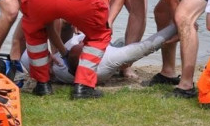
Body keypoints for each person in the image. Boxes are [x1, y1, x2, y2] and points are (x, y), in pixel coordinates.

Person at [20, 0, 112, 99]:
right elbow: (103, 7)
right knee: (99, 35)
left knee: (34, 32)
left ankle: (42, 85)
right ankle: (84, 86)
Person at [20, 24, 177, 84]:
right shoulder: (106, 60)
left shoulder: (59, 66)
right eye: (83, 44)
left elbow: (26, 55)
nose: (82, 42)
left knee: (63, 23)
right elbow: (147, 46)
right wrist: (177, 26)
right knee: (124, 45)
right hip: (108, 49)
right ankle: (119, 46)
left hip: (67, 58)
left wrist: (46, 59)